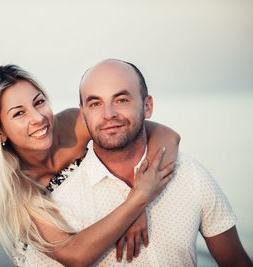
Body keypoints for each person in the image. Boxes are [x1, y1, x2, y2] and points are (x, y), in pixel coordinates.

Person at [35, 59, 251, 266]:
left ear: (147, 106)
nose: (108, 114)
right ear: (83, 115)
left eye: (121, 100)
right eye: (95, 103)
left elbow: (235, 262)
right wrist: (137, 203)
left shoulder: (190, 175)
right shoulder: (62, 204)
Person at [0, 64, 180, 266]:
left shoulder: (71, 125)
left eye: (39, 102)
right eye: (19, 113)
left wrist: (138, 192)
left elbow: (166, 136)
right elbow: (75, 255)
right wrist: (138, 202)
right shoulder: (17, 188)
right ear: (0, 131)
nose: (38, 118)